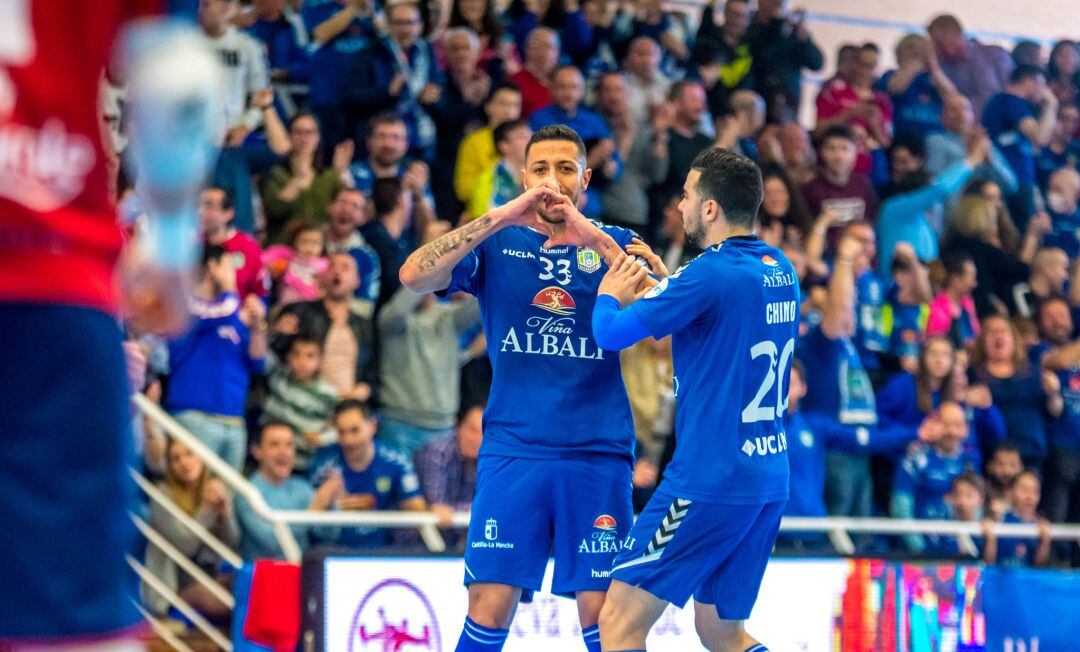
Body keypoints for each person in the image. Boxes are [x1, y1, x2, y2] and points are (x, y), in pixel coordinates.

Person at [0, 1, 226, 641]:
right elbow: (178, 74)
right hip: (52, 287)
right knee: (74, 625)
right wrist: (176, 239)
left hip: (57, 295)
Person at [399, 124, 641, 652]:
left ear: (585, 178)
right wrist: (502, 214)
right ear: (522, 175)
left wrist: (591, 236)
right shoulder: (497, 241)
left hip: (596, 451)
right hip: (514, 449)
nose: (551, 181)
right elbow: (414, 275)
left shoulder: (616, 243)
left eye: (564, 169)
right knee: (488, 601)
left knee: (603, 616)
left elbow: (666, 306)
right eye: (539, 169)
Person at [583, 147, 795, 652]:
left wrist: (610, 291)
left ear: (710, 209)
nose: (679, 206)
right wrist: (668, 283)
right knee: (722, 633)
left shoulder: (708, 275)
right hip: (767, 477)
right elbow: (713, 317)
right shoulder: (778, 265)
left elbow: (610, 334)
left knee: (618, 623)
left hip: (707, 480)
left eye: (685, 195)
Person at [378, 223, 482, 456]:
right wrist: (430, 253)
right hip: (398, 424)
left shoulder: (449, 318)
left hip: (442, 428)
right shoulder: (391, 319)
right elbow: (409, 291)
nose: (435, 283)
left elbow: (480, 303)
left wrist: (469, 243)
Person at [166, 245, 268, 471]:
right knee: (195, 498)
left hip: (233, 421)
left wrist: (258, 326)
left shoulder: (232, 313)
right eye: (229, 267)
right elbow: (219, 313)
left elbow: (257, 361)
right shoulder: (185, 306)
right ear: (212, 268)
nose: (233, 273)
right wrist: (230, 289)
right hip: (195, 415)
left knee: (225, 502)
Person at [309, 400, 427, 547]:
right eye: (341, 432)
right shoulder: (323, 464)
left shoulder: (396, 463)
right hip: (333, 552)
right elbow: (308, 519)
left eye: (354, 430)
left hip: (383, 554)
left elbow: (419, 512)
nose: (348, 440)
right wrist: (323, 501)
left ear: (372, 426)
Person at [145, 438, 239, 620]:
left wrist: (225, 515)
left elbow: (232, 541)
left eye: (189, 454)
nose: (184, 463)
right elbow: (185, 546)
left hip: (209, 575)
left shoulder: (214, 488)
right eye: (176, 458)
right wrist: (206, 511)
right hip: (175, 587)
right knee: (228, 601)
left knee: (248, 585)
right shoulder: (162, 494)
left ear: (202, 457)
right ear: (169, 466)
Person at [342, 1, 442, 159]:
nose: (405, 29)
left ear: (420, 26)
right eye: (399, 23)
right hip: (382, 141)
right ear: (388, 25)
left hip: (420, 139)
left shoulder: (427, 53)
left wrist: (433, 97)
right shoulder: (370, 54)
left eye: (410, 23)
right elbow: (350, 96)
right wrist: (386, 92)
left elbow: (440, 93)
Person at [271, 252, 376, 401]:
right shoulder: (299, 311)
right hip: (301, 400)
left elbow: (371, 372)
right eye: (332, 266)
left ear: (356, 281)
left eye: (345, 268)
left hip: (345, 405)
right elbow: (274, 358)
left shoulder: (365, 325)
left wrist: (365, 389)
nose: (337, 271)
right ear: (322, 276)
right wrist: (277, 333)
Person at [235, 420, 341, 559]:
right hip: (263, 575)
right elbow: (272, 543)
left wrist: (330, 503)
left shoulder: (302, 487)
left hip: (301, 573)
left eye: (289, 445)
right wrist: (314, 510)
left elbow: (329, 536)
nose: (283, 452)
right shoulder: (247, 492)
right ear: (257, 451)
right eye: (274, 445)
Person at [970, 315, 1062, 469]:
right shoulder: (972, 374)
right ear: (982, 341)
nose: (998, 336)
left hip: (1032, 452)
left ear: (1013, 338)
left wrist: (1054, 394)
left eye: (1003, 331)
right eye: (992, 332)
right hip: (994, 458)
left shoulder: (1033, 372)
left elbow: (1054, 412)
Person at [982, 65, 1059, 227]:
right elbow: (1040, 137)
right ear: (1029, 81)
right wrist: (1052, 105)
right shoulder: (1012, 103)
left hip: (1008, 177)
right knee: (1018, 230)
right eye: (1042, 85)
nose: (1044, 92)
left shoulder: (1001, 101)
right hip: (1013, 178)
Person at [890, 402, 970, 553]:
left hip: (960, 552)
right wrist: (920, 549)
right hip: (919, 555)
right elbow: (900, 509)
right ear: (934, 425)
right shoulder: (915, 461)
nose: (953, 432)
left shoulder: (968, 463)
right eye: (947, 425)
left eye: (958, 425)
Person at [260, 112, 350, 240]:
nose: (304, 138)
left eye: (309, 132)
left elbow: (347, 212)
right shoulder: (276, 174)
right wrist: (297, 180)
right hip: (282, 248)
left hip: (319, 248)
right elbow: (274, 210)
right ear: (289, 136)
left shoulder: (329, 176)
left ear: (318, 137)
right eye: (298, 132)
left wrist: (342, 173)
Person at [262, 334, 340, 470]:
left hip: (304, 463)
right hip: (269, 459)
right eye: (296, 354)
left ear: (320, 360)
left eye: (310, 356)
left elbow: (341, 426)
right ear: (288, 357)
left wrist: (323, 438)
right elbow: (263, 353)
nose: (302, 362)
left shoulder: (327, 393)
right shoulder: (279, 376)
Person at [925, 93, 1019, 202]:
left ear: (973, 115)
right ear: (942, 118)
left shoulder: (983, 143)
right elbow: (934, 185)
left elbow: (1012, 187)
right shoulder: (936, 141)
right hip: (951, 212)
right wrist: (973, 157)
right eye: (953, 110)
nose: (961, 114)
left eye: (965, 109)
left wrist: (991, 161)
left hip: (983, 211)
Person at [746, 0, 824, 122]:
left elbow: (816, 63)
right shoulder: (749, 24)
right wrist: (777, 25)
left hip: (787, 107)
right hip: (757, 102)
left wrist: (804, 39)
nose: (776, 4)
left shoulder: (791, 29)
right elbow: (763, 55)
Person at [415, 405, 484, 542]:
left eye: (484, 433)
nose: (477, 439)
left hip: (463, 540)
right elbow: (438, 506)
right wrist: (473, 510)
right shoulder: (438, 452)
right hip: (419, 542)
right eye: (472, 430)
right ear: (459, 427)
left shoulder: (492, 460)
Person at [926, 13, 1013, 117]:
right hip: (958, 127)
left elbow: (1007, 94)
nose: (936, 49)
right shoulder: (940, 66)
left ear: (956, 35)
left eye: (939, 44)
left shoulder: (995, 55)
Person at [455, 83, 524, 206]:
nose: (509, 111)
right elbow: (463, 190)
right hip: (484, 211)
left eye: (515, 105)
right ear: (488, 106)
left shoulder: (528, 141)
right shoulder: (473, 142)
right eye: (503, 104)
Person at [801, 125, 879, 228]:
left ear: (854, 153)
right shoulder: (811, 189)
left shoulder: (864, 185)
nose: (839, 156)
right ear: (822, 152)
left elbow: (871, 225)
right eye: (831, 148)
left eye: (844, 148)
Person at [199, 187, 268, 299]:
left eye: (209, 205)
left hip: (236, 313)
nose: (201, 212)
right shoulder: (190, 244)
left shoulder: (247, 246)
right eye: (198, 205)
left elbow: (261, 291)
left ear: (228, 213)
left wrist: (258, 305)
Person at [691, 0, 753, 119]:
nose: (737, 21)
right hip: (711, 110)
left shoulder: (752, 44)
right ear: (725, 13)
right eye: (734, 14)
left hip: (742, 113)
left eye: (742, 16)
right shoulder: (710, 40)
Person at [983, 470, 1053, 567]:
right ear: (1010, 491)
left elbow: (1039, 566)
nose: (1030, 497)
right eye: (1024, 490)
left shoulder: (1041, 525)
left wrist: (1045, 542)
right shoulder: (999, 520)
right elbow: (988, 564)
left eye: (1035, 491)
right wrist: (990, 540)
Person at [324, 187, 382, 304]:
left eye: (355, 206)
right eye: (342, 202)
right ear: (329, 207)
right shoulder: (307, 239)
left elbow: (365, 306)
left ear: (364, 217)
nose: (346, 210)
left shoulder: (367, 258)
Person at [467, 119, 532, 220]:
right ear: (504, 146)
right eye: (522, 136)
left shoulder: (541, 175)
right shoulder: (487, 180)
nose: (530, 141)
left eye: (530, 135)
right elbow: (484, 221)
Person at [926, 253, 980, 349]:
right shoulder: (936, 307)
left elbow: (976, 336)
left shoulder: (968, 304)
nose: (974, 284)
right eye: (971, 277)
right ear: (955, 278)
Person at [508, 27, 561, 118]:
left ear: (557, 52)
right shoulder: (514, 81)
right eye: (536, 46)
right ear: (526, 49)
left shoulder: (566, 80)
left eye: (548, 47)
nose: (542, 52)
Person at [985, 442, 1025, 518]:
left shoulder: (1027, 494)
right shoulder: (982, 491)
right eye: (1000, 464)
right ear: (989, 466)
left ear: (1021, 467)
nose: (1007, 471)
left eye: (1013, 465)